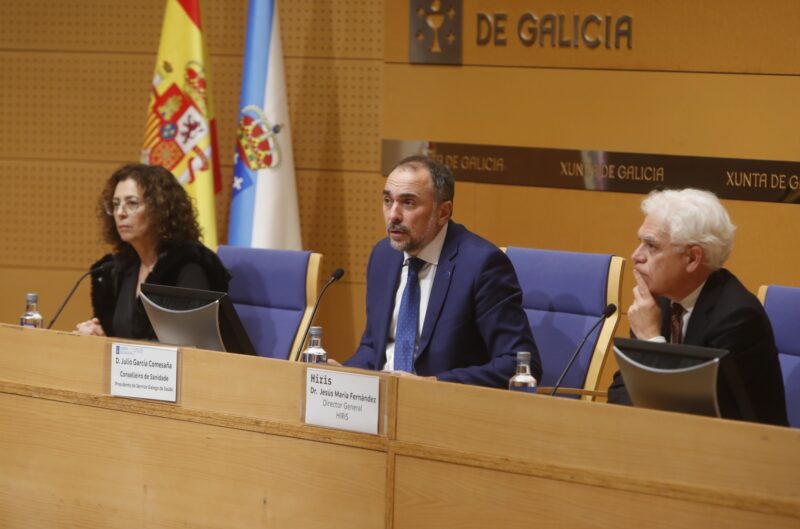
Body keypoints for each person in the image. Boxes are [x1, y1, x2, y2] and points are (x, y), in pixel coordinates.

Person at [343, 155, 541, 388]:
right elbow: (375, 348)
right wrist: (342, 376)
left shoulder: (481, 265)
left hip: (445, 410)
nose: (393, 215)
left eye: (408, 203)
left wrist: (433, 384)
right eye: (388, 201)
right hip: (380, 406)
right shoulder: (383, 256)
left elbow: (520, 366)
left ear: (443, 212)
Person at [608, 188, 788, 426]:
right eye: (640, 242)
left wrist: (651, 342)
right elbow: (621, 389)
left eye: (651, 246)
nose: (636, 256)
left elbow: (693, 416)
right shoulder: (659, 300)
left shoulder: (737, 319)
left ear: (693, 258)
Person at [75, 164, 230, 340]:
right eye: (115, 204)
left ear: (161, 209)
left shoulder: (188, 268)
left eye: (132, 203)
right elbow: (122, 336)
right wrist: (100, 335)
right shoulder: (121, 269)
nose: (120, 213)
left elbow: (192, 345)